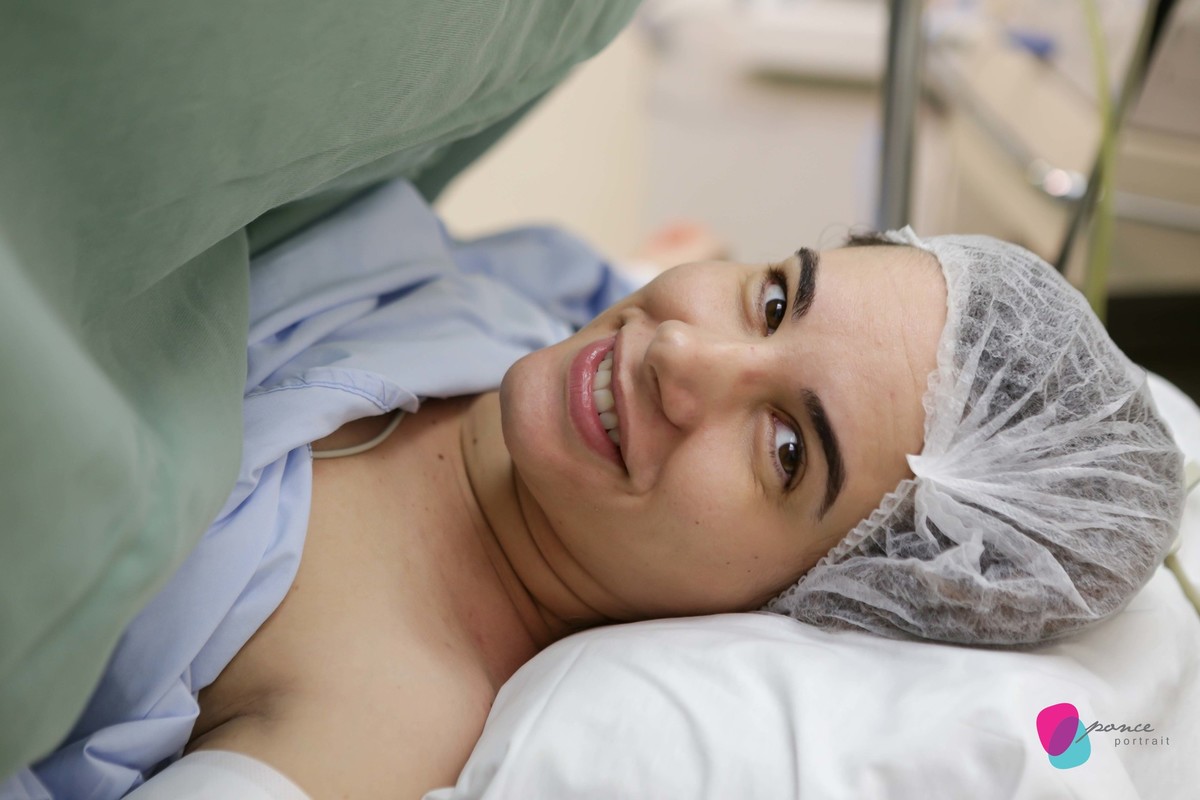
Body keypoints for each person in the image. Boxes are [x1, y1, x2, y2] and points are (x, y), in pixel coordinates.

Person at [3, 180, 1183, 800]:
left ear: (826, 599)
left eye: (786, 449)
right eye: (776, 299)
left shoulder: (363, 725)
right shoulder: (529, 302)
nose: (684, 353)